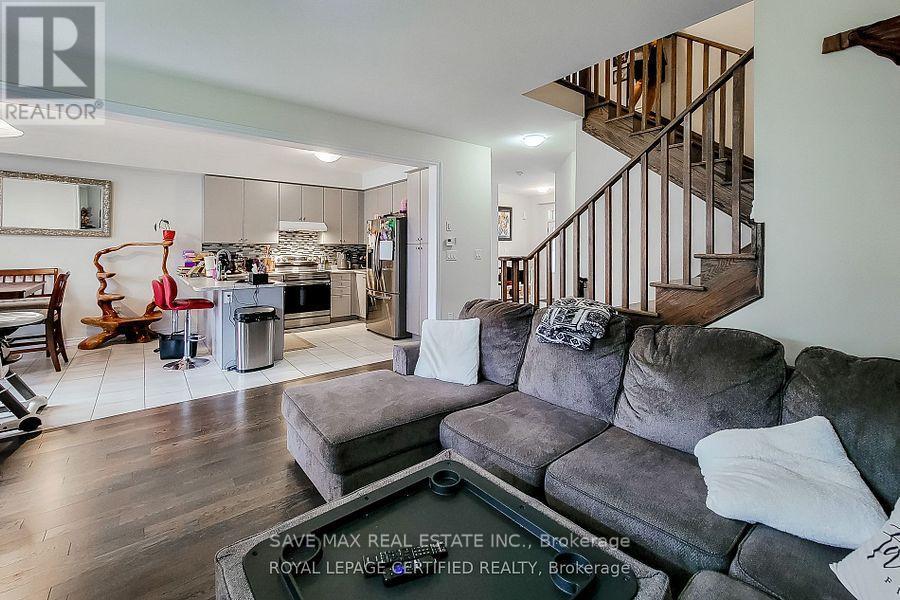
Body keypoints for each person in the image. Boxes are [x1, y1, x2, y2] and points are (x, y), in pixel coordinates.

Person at [628, 41, 667, 118]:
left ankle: (646, 115)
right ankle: (628, 111)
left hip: (657, 56)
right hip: (640, 55)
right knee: (640, 82)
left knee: (653, 86)